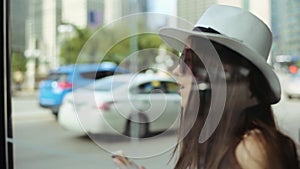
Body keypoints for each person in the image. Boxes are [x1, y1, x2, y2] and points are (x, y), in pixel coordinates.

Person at [113, 4, 299, 169]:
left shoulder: (252, 149)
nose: (177, 70)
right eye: (181, 57)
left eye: (189, 60)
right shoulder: (215, 142)